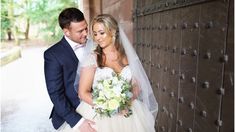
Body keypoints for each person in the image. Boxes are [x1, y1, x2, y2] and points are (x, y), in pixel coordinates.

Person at [75, 14, 158, 132]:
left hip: (129, 112)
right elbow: (83, 93)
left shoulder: (128, 56)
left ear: (113, 31)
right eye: (95, 33)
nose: (98, 38)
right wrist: (108, 106)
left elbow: (136, 85)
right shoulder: (92, 59)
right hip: (100, 115)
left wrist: (125, 101)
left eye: (101, 33)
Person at [44, 7, 96, 132]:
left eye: (86, 28)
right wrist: (79, 122)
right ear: (66, 32)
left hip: (100, 108)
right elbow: (56, 94)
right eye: (80, 31)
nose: (85, 33)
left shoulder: (97, 46)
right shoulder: (52, 55)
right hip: (73, 114)